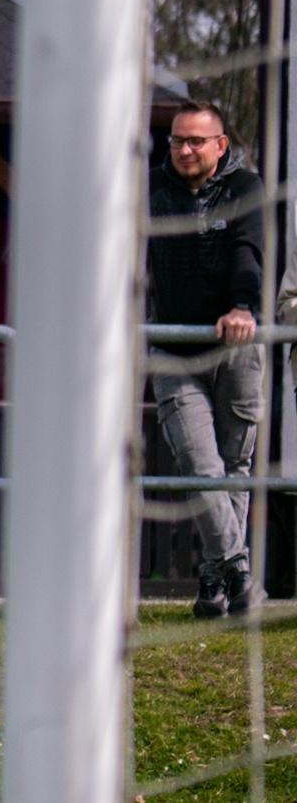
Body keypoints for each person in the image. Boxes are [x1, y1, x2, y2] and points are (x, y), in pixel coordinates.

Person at [148, 101, 265, 618]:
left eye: (196, 141)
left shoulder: (244, 188)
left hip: (236, 344)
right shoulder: (148, 190)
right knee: (200, 465)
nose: (185, 150)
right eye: (177, 140)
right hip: (174, 350)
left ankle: (215, 579)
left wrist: (243, 305)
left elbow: (248, 248)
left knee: (234, 465)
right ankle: (239, 569)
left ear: (221, 144)